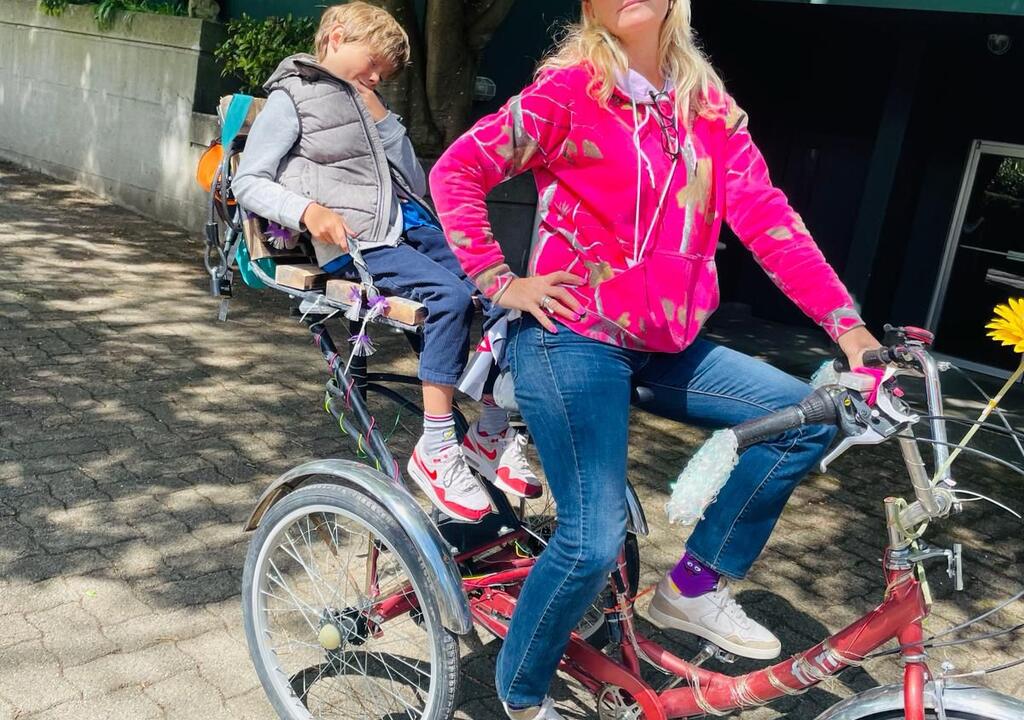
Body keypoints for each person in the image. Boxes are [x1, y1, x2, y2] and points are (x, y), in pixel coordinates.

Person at [428, 0, 881, 716]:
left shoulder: (707, 108)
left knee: (804, 417)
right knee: (591, 538)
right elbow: (457, 171)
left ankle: (693, 588)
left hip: (665, 344)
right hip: (570, 336)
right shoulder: (570, 92)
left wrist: (848, 329)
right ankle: (519, 693)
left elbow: (770, 221)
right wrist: (500, 280)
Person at [232, 1, 540, 523]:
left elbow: (415, 184)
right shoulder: (293, 96)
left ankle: (490, 430)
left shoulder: (365, 104)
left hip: (408, 231)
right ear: (336, 36)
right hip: (357, 246)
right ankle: (437, 450)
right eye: (372, 64)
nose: (377, 77)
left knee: (501, 287)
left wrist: (382, 117)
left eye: (384, 73)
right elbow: (249, 181)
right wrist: (307, 212)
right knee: (448, 298)